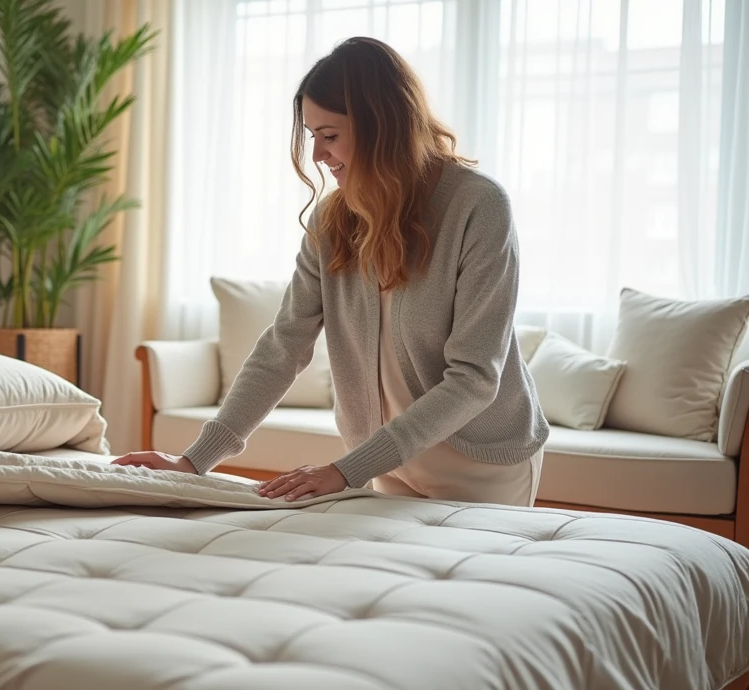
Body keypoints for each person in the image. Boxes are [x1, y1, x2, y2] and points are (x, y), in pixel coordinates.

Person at [114, 36, 549, 506]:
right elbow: (284, 347)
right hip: (386, 462)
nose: (318, 155)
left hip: (480, 462)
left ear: (382, 125)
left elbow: (474, 377)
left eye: (330, 135)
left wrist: (347, 470)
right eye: (312, 135)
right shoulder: (331, 221)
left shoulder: (478, 206)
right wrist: (194, 460)